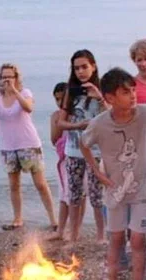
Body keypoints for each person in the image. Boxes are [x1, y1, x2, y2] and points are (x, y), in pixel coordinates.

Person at [80, 68, 146, 280]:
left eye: (133, 90)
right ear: (110, 98)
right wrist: (97, 172)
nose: (133, 95)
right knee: (116, 239)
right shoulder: (100, 124)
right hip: (115, 190)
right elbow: (84, 144)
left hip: (142, 190)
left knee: (138, 239)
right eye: (125, 92)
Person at [0, 63, 57, 231]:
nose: (6, 80)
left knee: (40, 184)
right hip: (9, 146)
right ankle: (18, 218)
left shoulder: (24, 92)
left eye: (10, 76)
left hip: (29, 144)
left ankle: (53, 219)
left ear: (16, 78)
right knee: (14, 185)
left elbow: (29, 108)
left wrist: (14, 91)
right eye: (3, 77)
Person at [57, 50, 107, 243]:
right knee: (74, 195)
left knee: (97, 196)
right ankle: (74, 235)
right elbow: (60, 122)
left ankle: (101, 236)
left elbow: (112, 117)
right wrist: (78, 125)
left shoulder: (101, 90)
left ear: (93, 66)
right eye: (76, 68)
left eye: (84, 67)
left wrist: (99, 97)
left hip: (96, 153)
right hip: (73, 151)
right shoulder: (71, 91)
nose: (81, 71)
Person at [49, 82, 84, 241]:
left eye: (62, 99)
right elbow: (54, 138)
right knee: (64, 196)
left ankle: (75, 229)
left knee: (78, 196)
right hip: (63, 160)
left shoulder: (78, 114)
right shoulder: (57, 116)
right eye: (57, 99)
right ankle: (61, 230)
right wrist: (59, 120)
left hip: (79, 158)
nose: (59, 102)